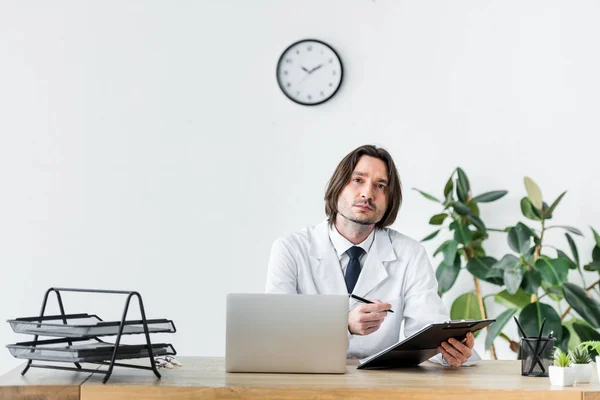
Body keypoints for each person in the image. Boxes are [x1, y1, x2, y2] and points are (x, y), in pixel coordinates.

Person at [265, 144, 479, 367]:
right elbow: (277, 333)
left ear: (389, 200)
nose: (368, 193)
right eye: (358, 180)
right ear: (338, 186)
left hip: (379, 382)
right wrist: (343, 325)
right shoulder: (290, 249)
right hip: (304, 376)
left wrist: (449, 351)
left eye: (380, 185)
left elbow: (425, 332)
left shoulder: (410, 254)